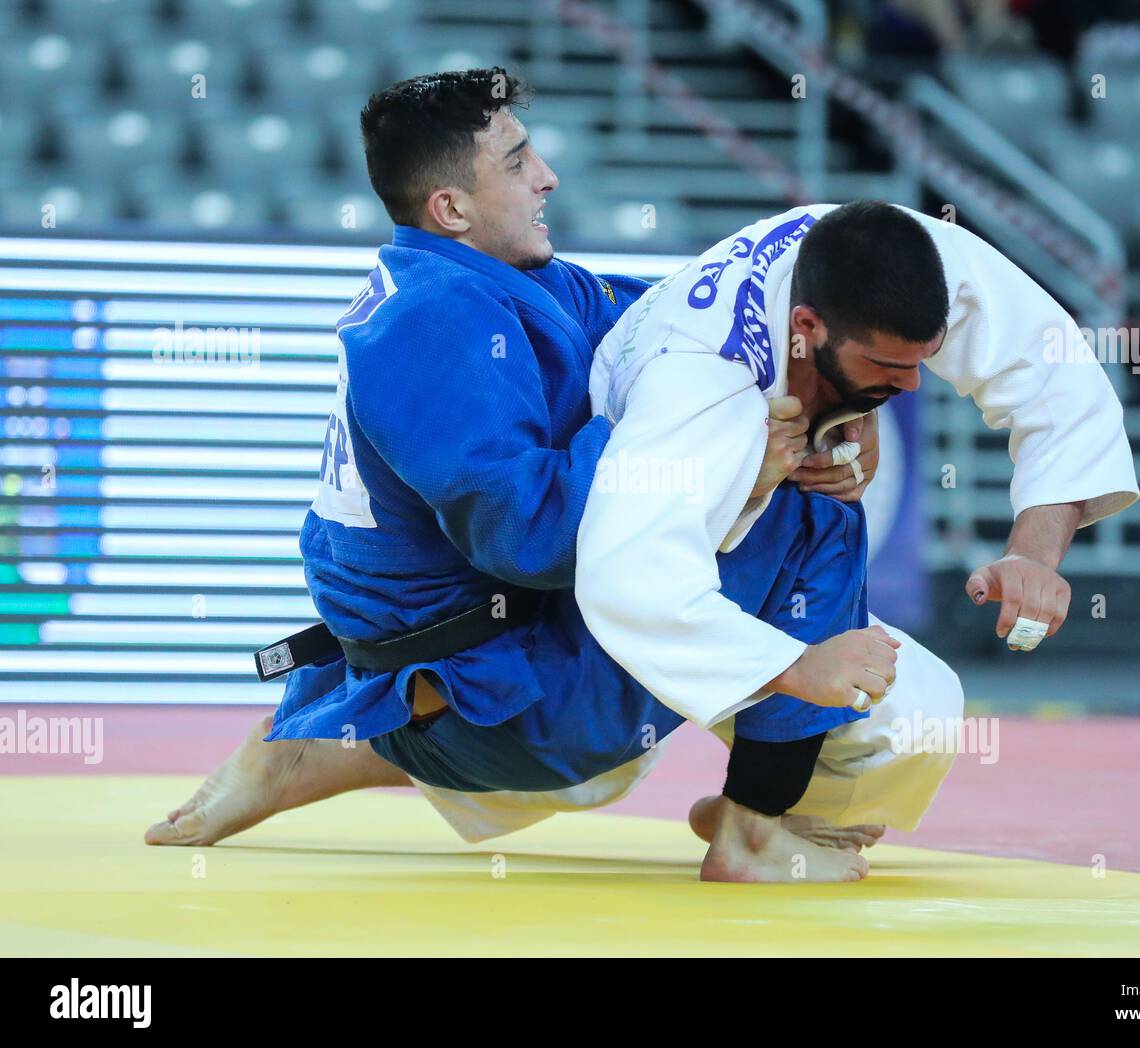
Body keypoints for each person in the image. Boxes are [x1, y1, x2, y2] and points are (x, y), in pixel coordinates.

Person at [144, 69, 886, 883]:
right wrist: (719, 449)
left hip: (464, 678)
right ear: (451, 209)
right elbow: (531, 539)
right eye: (517, 161)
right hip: (501, 706)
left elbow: (693, 321)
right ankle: (751, 831)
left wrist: (841, 397)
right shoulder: (435, 322)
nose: (548, 177)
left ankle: (318, 749)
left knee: (750, 447)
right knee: (813, 517)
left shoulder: (502, 281)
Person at [573, 200, 1140, 879]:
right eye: (885, 366)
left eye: (921, 362)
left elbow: (1060, 378)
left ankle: (770, 816)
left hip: (702, 550)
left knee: (916, 716)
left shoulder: (914, 255)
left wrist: (1032, 553)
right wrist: (794, 666)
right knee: (544, 766)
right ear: (807, 329)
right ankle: (752, 831)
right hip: (589, 613)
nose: (909, 386)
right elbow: (624, 574)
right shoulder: (700, 380)